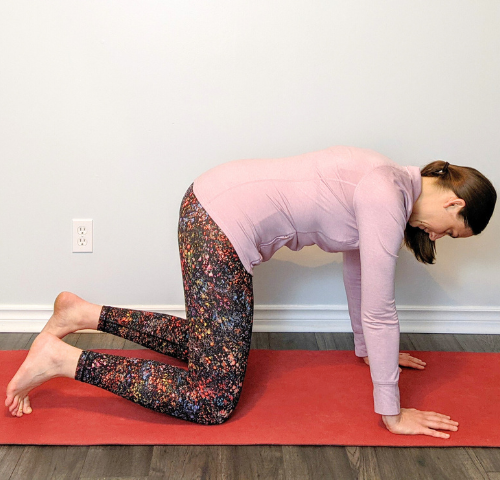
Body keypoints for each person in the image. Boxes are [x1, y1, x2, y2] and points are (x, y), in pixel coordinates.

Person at [5, 146, 496, 438]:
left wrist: (368, 353)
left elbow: (359, 274)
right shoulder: (388, 195)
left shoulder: (389, 179)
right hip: (220, 225)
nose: (434, 238)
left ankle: (82, 312)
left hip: (209, 205)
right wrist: (392, 411)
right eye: (449, 232)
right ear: (454, 203)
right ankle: (62, 359)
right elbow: (381, 308)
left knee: (208, 347)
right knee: (213, 397)